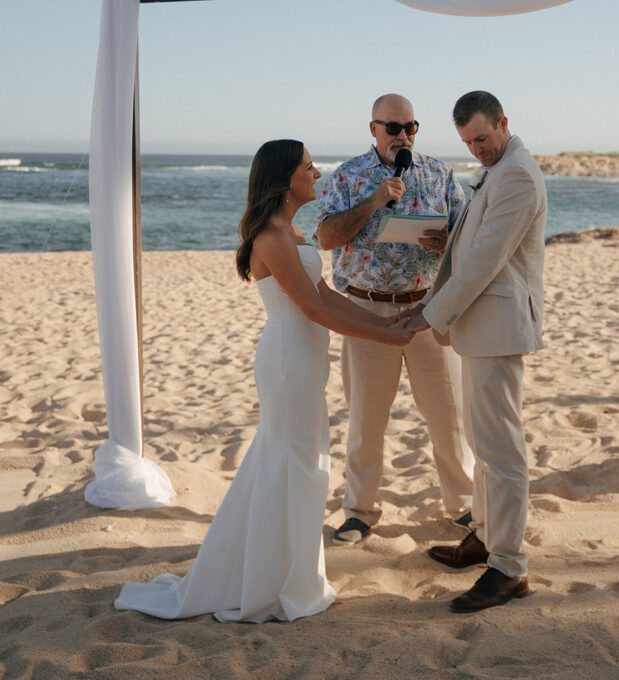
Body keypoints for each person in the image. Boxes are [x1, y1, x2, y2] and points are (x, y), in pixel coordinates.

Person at [115, 139, 411, 624]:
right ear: (285, 178)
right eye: (309, 168)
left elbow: (325, 295)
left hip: (303, 358)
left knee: (298, 463)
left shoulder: (292, 229)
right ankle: (273, 582)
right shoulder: (272, 238)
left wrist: (385, 328)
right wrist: (383, 336)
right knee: (291, 465)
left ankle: (283, 573)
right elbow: (313, 309)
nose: (317, 174)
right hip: (287, 360)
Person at [397, 91, 547, 614]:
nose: (476, 150)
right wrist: (450, 241)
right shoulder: (500, 168)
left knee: (501, 451)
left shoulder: (518, 174)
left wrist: (430, 312)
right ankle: (483, 536)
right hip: (481, 327)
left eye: (482, 138)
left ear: (504, 123)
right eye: (467, 143)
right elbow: (478, 240)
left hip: (498, 327)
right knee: (485, 443)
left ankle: (508, 567)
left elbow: (487, 259)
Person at [316, 94, 474, 545]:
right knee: (367, 419)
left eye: (410, 127)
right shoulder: (347, 176)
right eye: (393, 128)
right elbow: (326, 237)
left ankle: (462, 504)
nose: (402, 136)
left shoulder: (438, 172)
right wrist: (373, 200)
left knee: (449, 415)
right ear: (373, 129)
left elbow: (467, 241)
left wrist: (444, 242)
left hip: (428, 307)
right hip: (366, 311)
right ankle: (360, 510)